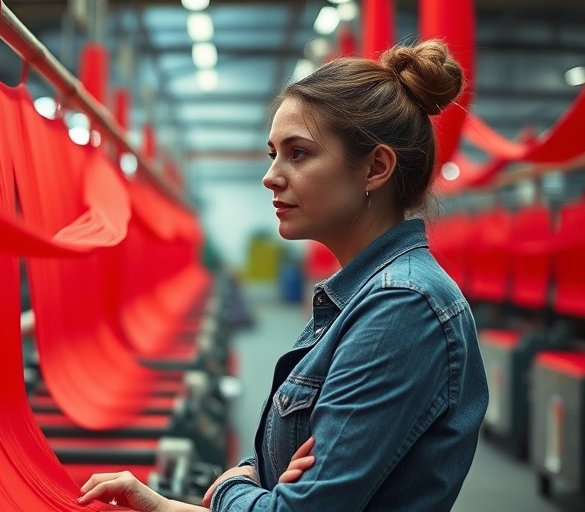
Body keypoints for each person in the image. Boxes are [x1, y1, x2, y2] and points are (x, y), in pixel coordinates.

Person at [78, 39, 488, 511]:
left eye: (298, 154)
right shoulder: (358, 300)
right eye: (273, 153)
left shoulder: (402, 307)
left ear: (376, 167)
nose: (270, 176)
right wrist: (164, 504)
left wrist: (236, 484)